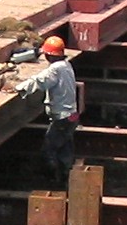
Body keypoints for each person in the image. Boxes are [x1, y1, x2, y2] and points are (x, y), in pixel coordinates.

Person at [14, 36, 79, 180]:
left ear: (49, 55)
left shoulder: (55, 69)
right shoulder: (66, 65)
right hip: (72, 115)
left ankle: (51, 181)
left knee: (49, 150)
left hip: (62, 117)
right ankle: (67, 178)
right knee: (65, 148)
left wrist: (18, 88)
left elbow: (40, 81)